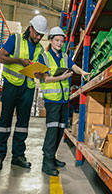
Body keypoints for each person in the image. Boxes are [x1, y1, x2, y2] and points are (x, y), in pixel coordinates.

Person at [0, 15, 48, 170]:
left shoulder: (40, 49)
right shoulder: (15, 39)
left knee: (23, 124)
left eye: (41, 35)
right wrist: (18, 60)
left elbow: (40, 71)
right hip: (11, 85)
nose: (38, 37)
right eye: (37, 33)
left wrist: (39, 74)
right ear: (30, 28)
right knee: (5, 122)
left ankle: (18, 156)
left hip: (28, 88)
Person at [38, 27, 90, 176]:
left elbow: (73, 66)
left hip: (63, 100)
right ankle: (46, 162)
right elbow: (45, 78)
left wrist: (82, 72)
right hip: (52, 100)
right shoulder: (44, 57)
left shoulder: (65, 57)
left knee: (60, 130)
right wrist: (60, 78)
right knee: (52, 131)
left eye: (61, 41)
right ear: (51, 40)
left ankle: (52, 157)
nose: (60, 43)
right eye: (57, 40)